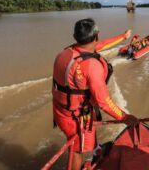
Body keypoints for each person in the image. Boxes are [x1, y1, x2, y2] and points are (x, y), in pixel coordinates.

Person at [52, 18, 138, 170]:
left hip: (61, 110)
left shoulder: (66, 52)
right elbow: (104, 101)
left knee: (81, 138)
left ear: (75, 37)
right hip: (76, 118)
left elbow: (100, 45)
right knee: (76, 150)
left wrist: (123, 37)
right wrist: (125, 117)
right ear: (96, 36)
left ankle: (97, 150)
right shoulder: (92, 66)